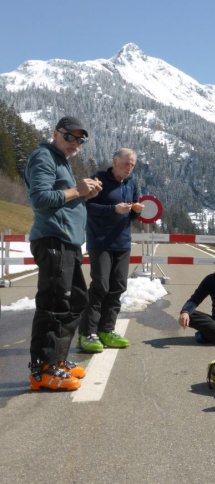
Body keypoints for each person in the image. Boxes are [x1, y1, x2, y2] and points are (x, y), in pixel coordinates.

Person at [23, 116, 102, 390]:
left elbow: (63, 197)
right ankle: (42, 370)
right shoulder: (43, 157)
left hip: (67, 242)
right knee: (54, 306)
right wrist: (76, 190)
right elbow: (41, 198)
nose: (75, 144)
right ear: (56, 134)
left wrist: (83, 195)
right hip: (52, 240)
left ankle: (56, 361)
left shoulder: (61, 161)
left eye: (80, 140)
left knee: (76, 301)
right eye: (70, 137)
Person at [78, 148, 144, 353]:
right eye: (126, 163)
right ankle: (87, 333)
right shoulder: (98, 180)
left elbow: (131, 216)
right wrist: (113, 209)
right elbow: (87, 208)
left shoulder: (132, 183)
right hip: (101, 242)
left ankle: (107, 330)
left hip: (123, 243)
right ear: (115, 161)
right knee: (100, 286)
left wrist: (136, 212)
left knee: (118, 287)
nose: (129, 167)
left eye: (132, 164)